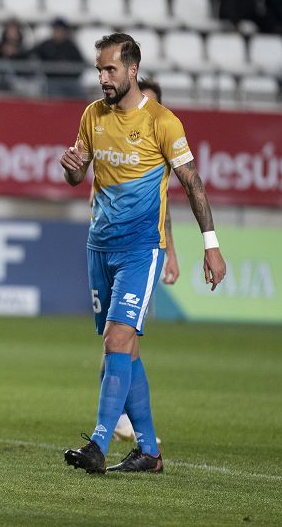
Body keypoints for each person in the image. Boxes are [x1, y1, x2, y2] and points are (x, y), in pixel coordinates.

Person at [61, 32, 226, 474]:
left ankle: (98, 443)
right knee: (125, 349)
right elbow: (80, 179)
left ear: (132, 70)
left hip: (141, 249)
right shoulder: (92, 115)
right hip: (100, 246)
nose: (102, 78)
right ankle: (149, 450)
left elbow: (192, 183)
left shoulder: (162, 122)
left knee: (117, 339)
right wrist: (75, 172)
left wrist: (211, 247)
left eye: (110, 69)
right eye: (99, 69)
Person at [109, 76, 177, 444]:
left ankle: (125, 420)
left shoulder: (161, 145)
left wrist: (174, 255)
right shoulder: (116, 146)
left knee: (124, 336)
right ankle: (125, 420)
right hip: (115, 246)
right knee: (120, 335)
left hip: (149, 250)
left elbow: (165, 209)